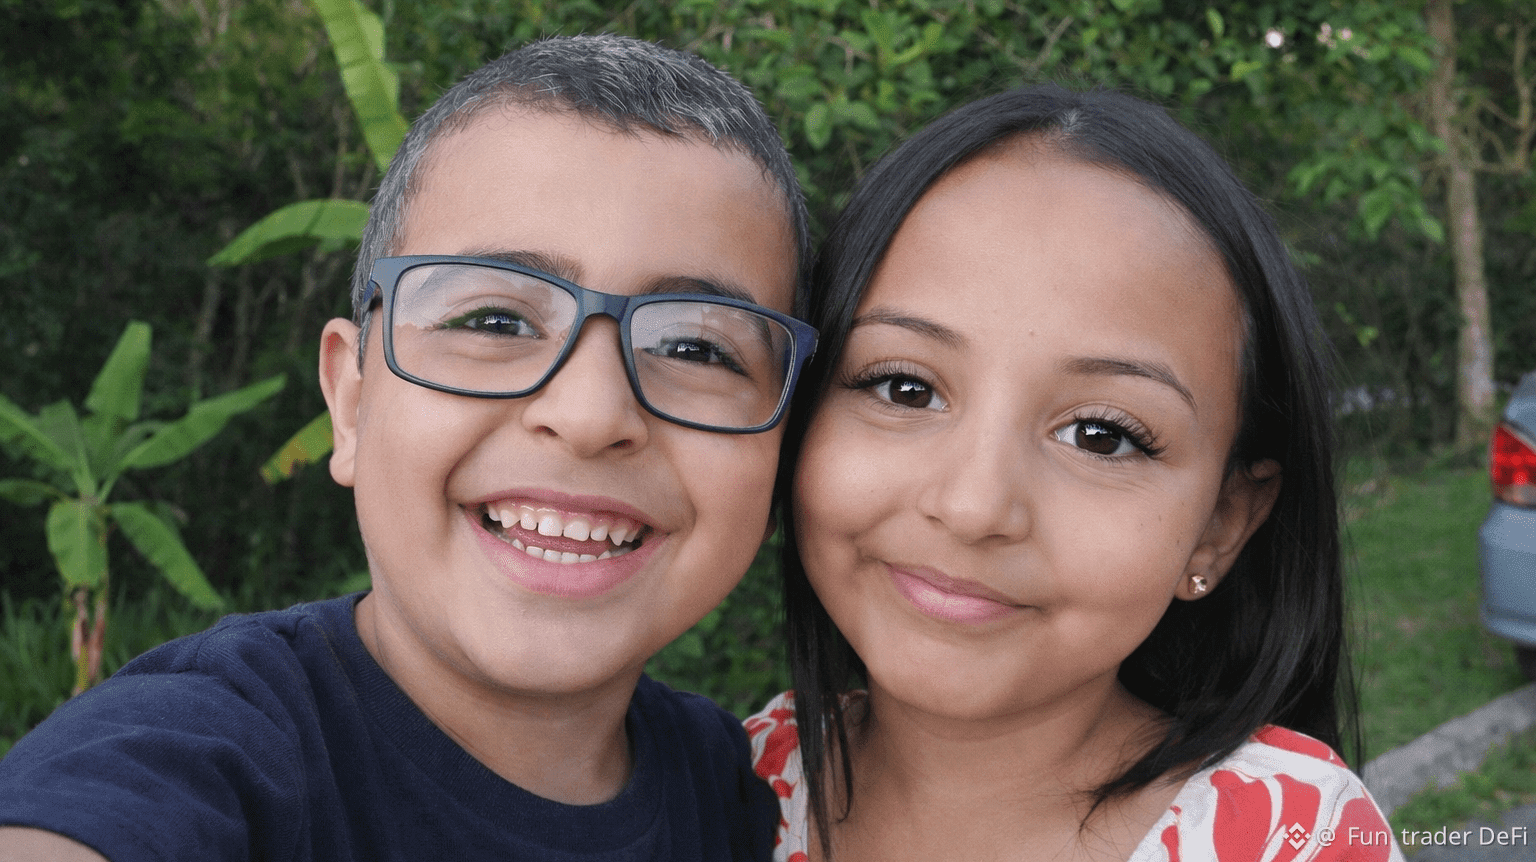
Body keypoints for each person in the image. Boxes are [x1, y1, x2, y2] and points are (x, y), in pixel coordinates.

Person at [0, 34, 816, 861]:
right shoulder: (200, 757)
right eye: (495, 321)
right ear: (351, 404)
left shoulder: (754, 796)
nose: (589, 413)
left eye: (695, 348)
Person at [746, 83, 1406, 861]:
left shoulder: (1294, 839)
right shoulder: (735, 781)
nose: (974, 505)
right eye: (904, 388)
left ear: (1221, 525)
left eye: (1101, 436)